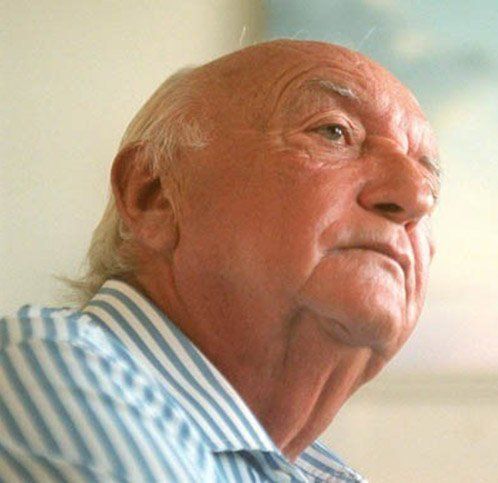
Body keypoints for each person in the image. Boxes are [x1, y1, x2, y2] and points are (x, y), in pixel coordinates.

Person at [0, 39, 440, 482]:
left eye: (428, 175)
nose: (416, 195)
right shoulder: (38, 367)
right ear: (154, 195)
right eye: (333, 132)